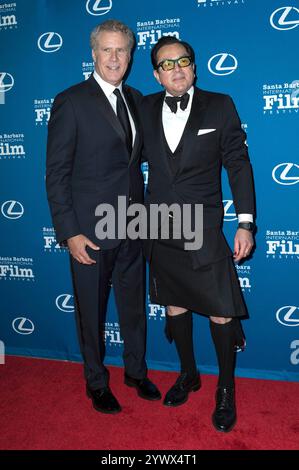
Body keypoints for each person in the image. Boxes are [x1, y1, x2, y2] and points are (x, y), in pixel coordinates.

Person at [46, 20, 161, 415]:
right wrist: (70, 233)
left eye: (122, 51)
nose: (114, 58)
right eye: (107, 50)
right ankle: (96, 382)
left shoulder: (136, 98)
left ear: (130, 56)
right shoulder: (71, 100)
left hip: (132, 225)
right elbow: (57, 173)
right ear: (93, 54)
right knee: (91, 314)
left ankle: (135, 371)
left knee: (133, 308)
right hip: (90, 233)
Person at [141, 36, 255, 432]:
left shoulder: (220, 105)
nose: (176, 69)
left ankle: (226, 389)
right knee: (174, 306)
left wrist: (245, 222)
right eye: (167, 64)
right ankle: (188, 374)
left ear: (194, 66)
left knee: (221, 310)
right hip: (158, 227)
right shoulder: (143, 107)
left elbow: (238, 164)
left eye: (183, 61)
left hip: (203, 226)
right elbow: (118, 161)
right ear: (157, 75)